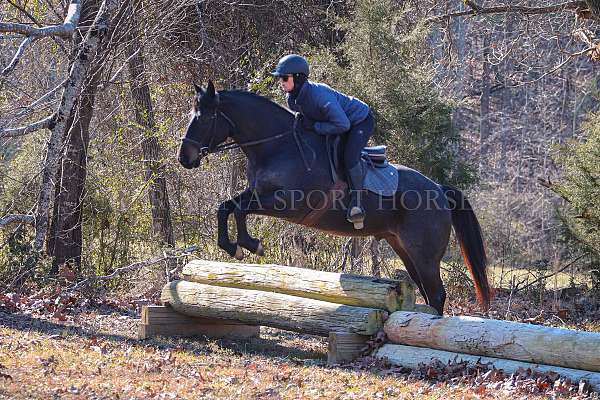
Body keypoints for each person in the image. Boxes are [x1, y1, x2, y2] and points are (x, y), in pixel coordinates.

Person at [272, 54, 375, 229]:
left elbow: (343, 124)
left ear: (297, 78)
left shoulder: (319, 95)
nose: (280, 82)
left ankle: (357, 205)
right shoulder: (292, 98)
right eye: (279, 78)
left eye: (284, 77)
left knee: (349, 157)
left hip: (359, 121)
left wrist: (316, 127)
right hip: (336, 123)